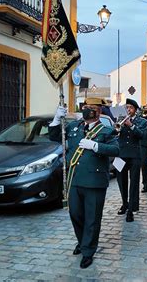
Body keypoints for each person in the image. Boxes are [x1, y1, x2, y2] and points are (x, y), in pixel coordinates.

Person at [49, 98, 119, 269]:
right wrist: (56, 120)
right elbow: (55, 136)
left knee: (92, 218)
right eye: (86, 107)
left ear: (99, 111)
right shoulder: (74, 127)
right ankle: (82, 241)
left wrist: (96, 145)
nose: (88, 110)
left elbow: (116, 149)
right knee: (76, 215)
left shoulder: (107, 130)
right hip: (75, 179)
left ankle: (88, 251)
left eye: (92, 108)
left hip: (94, 182)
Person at [116, 98, 147, 222]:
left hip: (135, 154)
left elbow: (142, 135)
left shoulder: (142, 121)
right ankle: (124, 203)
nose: (128, 110)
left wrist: (132, 126)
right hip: (121, 153)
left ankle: (131, 209)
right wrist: (118, 128)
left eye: (130, 108)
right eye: (127, 107)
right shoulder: (120, 119)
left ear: (135, 109)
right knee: (121, 180)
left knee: (134, 182)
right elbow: (115, 132)